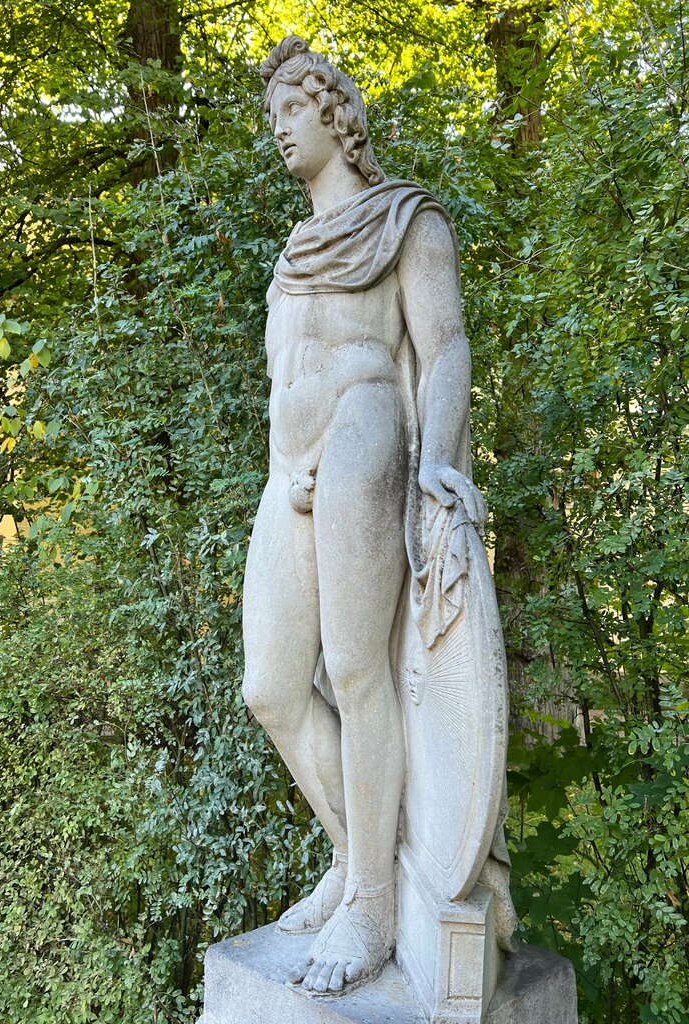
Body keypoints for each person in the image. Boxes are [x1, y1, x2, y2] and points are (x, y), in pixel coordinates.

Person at [241, 35, 490, 996]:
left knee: (353, 668)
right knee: (272, 687)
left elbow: (445, 345)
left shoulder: (405, 221)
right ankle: (354, 856)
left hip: (367, 422)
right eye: (271, 116)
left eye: (290, 111)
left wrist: (437, 461)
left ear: (335, 114)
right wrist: (284, 459)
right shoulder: (292, 251)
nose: (278, 130)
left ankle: (375, 903)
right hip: (292, 461)